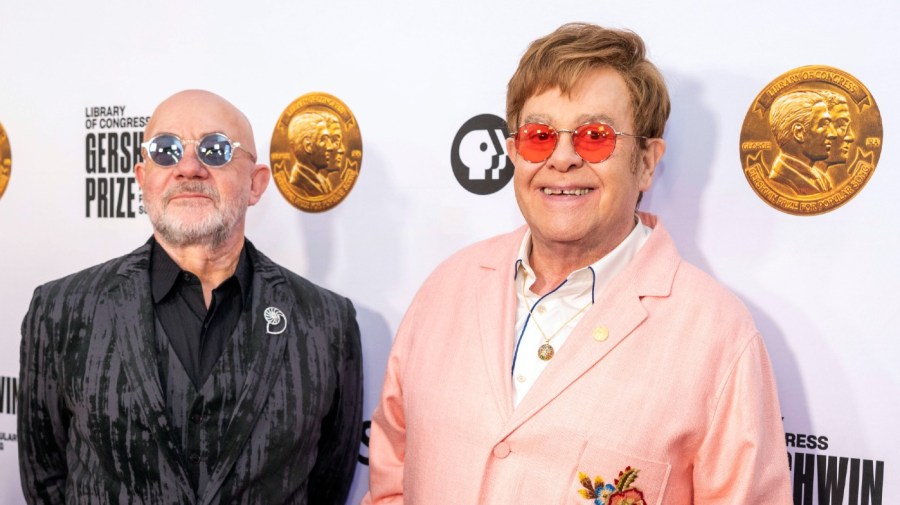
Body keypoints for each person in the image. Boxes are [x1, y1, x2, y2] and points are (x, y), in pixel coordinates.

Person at [364, 24, 791, 504]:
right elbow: (390, 479)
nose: (562, 158)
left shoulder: (718, 335)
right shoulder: (445, 289)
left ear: (647, 161)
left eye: (594, 136)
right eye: (539, 136)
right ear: (513, 154)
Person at [18, 90, 363, 504]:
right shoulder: (62, 310)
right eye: (166, 151)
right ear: (143, 178)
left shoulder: (326, 322)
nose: (188, 167)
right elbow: (45, 479)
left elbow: (327, 481)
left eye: (215, 150)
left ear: (255, 184)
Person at [768, 90, 837, 195]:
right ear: (799, 132)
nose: (833, 134)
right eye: (824, 125)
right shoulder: (780, 180)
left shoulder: (822, 179)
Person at [288, 110, 344, 197]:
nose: (330, 147)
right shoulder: (299, 183)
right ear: (308, 146)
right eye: (324, 140)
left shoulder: (321, 181)